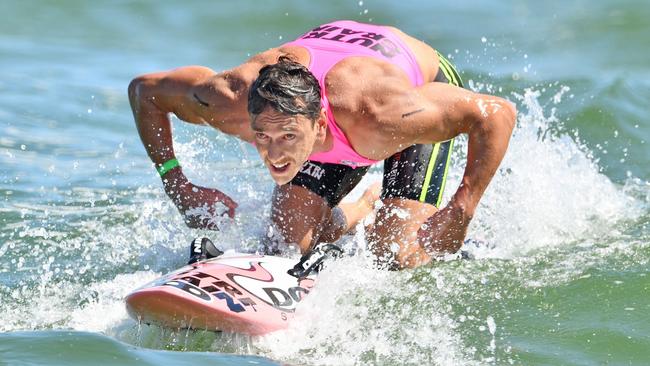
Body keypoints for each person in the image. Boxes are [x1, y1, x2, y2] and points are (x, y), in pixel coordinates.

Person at [129, 20, 516, 269]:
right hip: (326, 74)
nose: (275, 155)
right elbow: (145, 91)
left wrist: (461, 209)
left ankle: (397, 205)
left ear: (318, 127)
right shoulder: (228, 100)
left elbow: (496, 113)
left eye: (288, 138)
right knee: (283, 247)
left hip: (400, 90)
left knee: (394, 258)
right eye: (263, 137)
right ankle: (364, 204)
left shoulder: (382, 115)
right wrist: (176, 184)